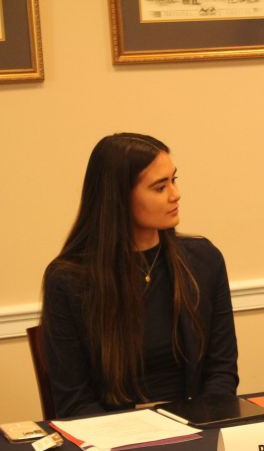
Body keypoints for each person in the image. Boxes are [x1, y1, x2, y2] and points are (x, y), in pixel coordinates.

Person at [40, 133, 239, 417]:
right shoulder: (69, 280)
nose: (175, 194)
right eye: (160, 187)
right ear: (119, 198)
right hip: (113, 440)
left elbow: (222, 372)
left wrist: (200, 426)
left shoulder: (204, 260)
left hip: (198, 428)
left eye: (174, 180)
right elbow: (74, 402)